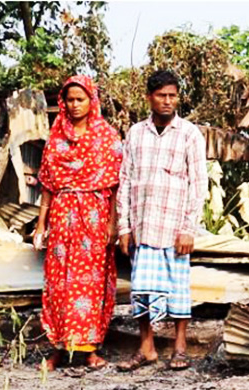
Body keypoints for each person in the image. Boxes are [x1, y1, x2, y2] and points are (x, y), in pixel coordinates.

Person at [116, 70, 208, 371]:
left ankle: (180, 347)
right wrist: (124, 227)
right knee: (141, 289)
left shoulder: (189, 134)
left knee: (178, 289)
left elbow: (199, 184)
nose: (167, 101)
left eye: (172, 95)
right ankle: (147, 347)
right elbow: (125, 181)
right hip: (143, 227)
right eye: (161, 96)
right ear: (149, 98)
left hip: (174, 229)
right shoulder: (135, 134)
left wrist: (188, 228)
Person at [33, 75, 123, 370]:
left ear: (91, 100)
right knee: (59, 283)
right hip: (62, 216)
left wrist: (112, 224)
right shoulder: (55, 139)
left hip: (95, 218)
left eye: (80, 99)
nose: (74, 105)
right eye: (70, 99)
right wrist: (40, 225)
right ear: (63, 102)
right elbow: (47, 185)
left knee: (92, 284)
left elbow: (114, 186)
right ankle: (57, 349)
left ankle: (90, 350)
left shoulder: (107, 137)